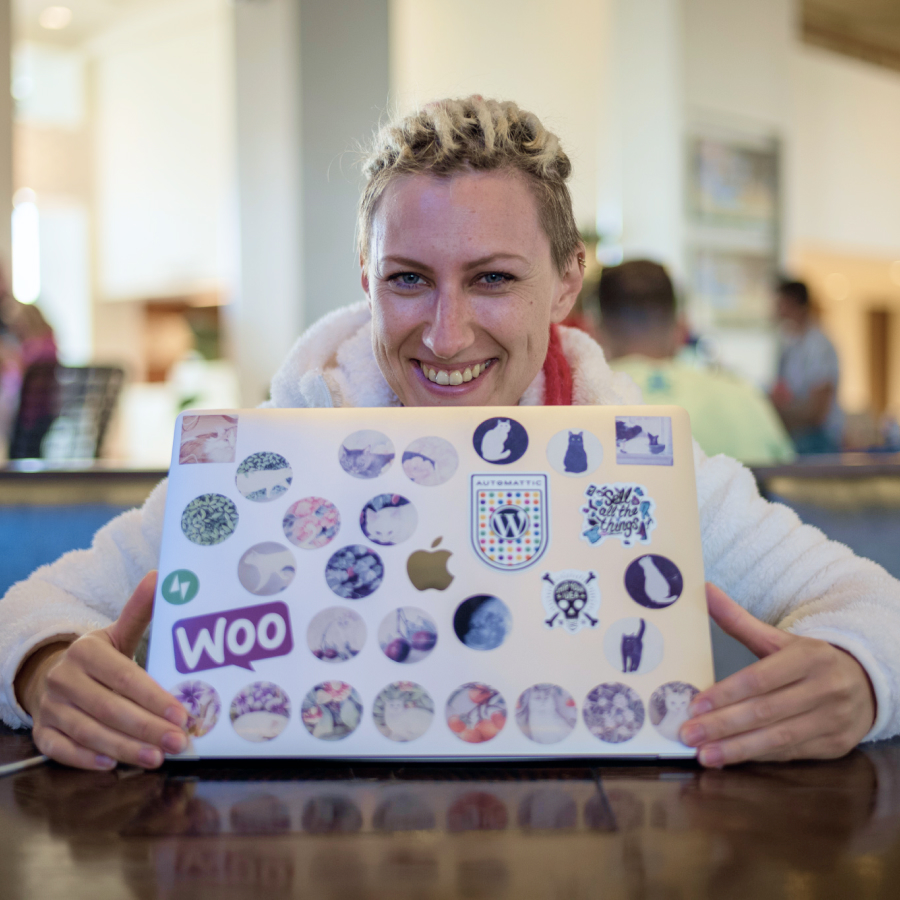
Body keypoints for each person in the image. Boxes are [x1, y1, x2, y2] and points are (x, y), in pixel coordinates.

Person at [2, 97, 897, 773]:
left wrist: (859, 678)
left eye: (494, 279)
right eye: (409, 280)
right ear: (367, 280)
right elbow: (30, 612)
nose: (445, 333)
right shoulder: (272, 453)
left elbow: (875, 609)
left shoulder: (633, 455)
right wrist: (46, 671)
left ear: (565, 284)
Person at [597, 260, 795, 465]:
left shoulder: (579, 401)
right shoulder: (744, 397)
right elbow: (786, 484)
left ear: (596, 332)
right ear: (682, 327)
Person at [771, 279, 844, 454]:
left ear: (792, 302)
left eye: (779, 302)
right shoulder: (791, 344)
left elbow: (817, 411)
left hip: (818, 441)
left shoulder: (818, 346)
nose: (775, 308)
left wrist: (777, 416)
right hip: (798, 436)